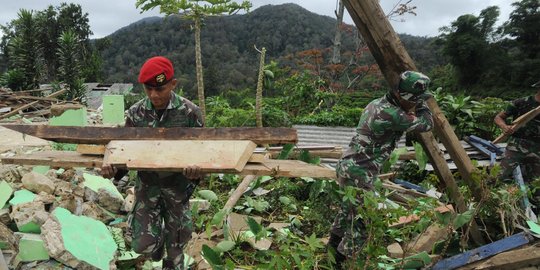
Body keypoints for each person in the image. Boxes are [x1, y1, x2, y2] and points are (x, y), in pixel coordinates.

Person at [101, 56, 204, 270]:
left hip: (177, 188)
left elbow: (203, 152)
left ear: (173, 84)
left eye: (160, 89)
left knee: (177, 247)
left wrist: (197, 172)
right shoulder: (136, 113)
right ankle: (156, 247)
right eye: (148, 90)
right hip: (147, 187)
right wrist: (112, 170)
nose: (154, 95)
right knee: (142, 244)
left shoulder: (190, 113)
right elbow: (123, 151)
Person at [328, 71, 434, 265]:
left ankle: (330, 252)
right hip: (360, 172)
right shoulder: (394, 115)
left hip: (348, 166)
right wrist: (422, 105)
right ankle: (341, 263)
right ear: (404, 97)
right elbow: (427, 124)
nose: (416, 104)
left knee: (347, 212)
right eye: (415, 101)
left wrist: (413, 103)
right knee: (362, 222)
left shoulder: (377, 104)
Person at [494, 83, 540, 189]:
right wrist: (504, 127)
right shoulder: (522, 103)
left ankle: (535, 203)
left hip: (538, 148)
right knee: (499, 175)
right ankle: (486, 198)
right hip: (517, 145)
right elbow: (498, 117)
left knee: (537, 183)